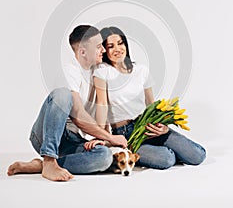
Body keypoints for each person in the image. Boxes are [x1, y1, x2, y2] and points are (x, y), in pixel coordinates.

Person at [7, 25, 127, 181]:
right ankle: (49, 159)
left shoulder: (96, 74)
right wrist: (111, 138)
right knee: (63, 94)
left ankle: (43, 165)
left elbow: (101, 109)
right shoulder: (68, 71)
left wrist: (102, 140)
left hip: (73, 140)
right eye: (98, 47)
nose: (103, 50)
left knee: (104, 157)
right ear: (82, 52)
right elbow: (78, 115)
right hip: (47, 135)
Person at [92, 26, 206, 169]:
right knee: (167, 159)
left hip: (148, 125)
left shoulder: (141, 70)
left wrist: (163, 126)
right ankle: (131, 153)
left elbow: (151, 104)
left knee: (198, 155)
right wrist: (102, 137)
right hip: (125, 133)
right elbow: (102, 104)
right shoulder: (102, 71)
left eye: (120, 43)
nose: (117, 49)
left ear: (126, 45)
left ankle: (156, 150)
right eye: (110, 46)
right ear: (104, 50)